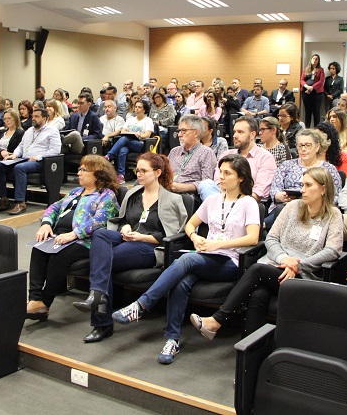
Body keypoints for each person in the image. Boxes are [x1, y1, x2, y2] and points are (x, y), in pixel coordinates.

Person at [111, 154, 261, 364]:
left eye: (227, 173)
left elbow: (253, 238)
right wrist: (195, 237)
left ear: (241, 178)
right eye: (220, 172)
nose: (221, 177)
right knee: (181, 282)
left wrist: (218, 245)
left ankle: (142, 305)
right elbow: (190, 225)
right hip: (206, 256)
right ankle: (172, 340)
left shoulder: (248, 203)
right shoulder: (213, 200)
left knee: (186, 260)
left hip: (231, 261)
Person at [189, 168, 343, 339]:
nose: (302, 190)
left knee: (257, 270)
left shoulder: (333, 215)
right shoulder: (292, 207)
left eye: (308, 185)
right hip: (277, 266)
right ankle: (250, 350)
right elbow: (271, 238)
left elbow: (333, 250)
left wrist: (298, 265)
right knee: (258, 294)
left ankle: (217, 320)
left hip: (303, 275)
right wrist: (284, 258)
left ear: (323, 189)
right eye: (302, 185)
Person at [73, 153, 188, 342]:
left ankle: (101, 320)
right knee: (100, 234)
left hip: (149, 246)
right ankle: (99, 295)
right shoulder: (133, 194)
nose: (138, 174)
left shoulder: (172, 199)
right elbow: (122, 219)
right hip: (128, 238)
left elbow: (173, 235)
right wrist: (125, 227)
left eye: (143, 171)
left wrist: (142, 237)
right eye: (137, 170)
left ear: (158, 172)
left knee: (102, 260)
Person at [26, 155, 119, 321]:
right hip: (60, 235)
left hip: (85, 240)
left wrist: (73, 234)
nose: (79, 173)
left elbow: (100, 221)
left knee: (60, 255)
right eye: (79, 169)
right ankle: (34, 298)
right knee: (39, 247)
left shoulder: (106, 195)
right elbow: (54, 207)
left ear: (98, 174)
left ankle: (45, 302)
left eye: (84, 170)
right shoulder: (75, 192)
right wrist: (46, 224)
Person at [268, 128, 342, 226]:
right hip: (285, 206)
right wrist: (280, 196)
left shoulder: (329, 169)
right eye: (300, 146)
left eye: (308, 145)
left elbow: (335, 196)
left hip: (317, 210)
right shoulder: (286, 165)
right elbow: (274, 189)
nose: (303, 149)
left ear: (317, 147)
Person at [197, 116, 277, 202]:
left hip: (246, 202)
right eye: (235, 132)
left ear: (252, 135)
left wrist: (235, 196)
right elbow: (218, 182)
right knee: (206, 184)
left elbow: (258, 193)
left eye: (240, 132)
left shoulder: (265, 157)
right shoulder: (226, 155)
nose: (235, 136)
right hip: (222, 197)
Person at [0, 108, 62, 215]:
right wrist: (14, 154)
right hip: (24, 159)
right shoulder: (29, 131)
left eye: (37, 116)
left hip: (41, 162)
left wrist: (38, 157)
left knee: (19, 168)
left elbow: (55, 150)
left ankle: (20, 203)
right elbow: (21, 146)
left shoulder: (52, 131)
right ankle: (4, 199)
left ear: (44, 118)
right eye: (33, 116)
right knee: (0, 166)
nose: (33, 119)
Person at [105, 101, 154, 184]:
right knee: (122, 150)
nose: (137, 109)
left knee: (124, 139)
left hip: (140, 144)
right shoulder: (130, 120)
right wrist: (132, 133)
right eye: (136, 107)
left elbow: (147, 135)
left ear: (144, 110)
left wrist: (139, 135)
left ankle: (109, 156)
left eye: (139, 107)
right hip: (128, 142)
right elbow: (123, 131)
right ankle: (121, 175)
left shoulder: (148, 120)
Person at [166, 115, 217, 194]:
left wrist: (184, 187)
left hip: (188, 195)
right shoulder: (174, 151)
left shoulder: (206, 152)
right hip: (168, 191)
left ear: (196, 133)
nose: (179, 134)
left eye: (184, 131)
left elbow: (206, 184)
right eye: (179, 131)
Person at [301, 54, 325, 127]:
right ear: (311, 59)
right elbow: (302, 80)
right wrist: (307, 86)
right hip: (306, 93)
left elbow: (321, 81)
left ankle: (316, 129)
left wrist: (312, 87)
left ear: (318, 61)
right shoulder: (306, 69)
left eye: (316, 59)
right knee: (308, 111)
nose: (314, 60)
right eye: (313, 58)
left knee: (316, 111)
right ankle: (307, 128)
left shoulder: (320, 70)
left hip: (317, 93)